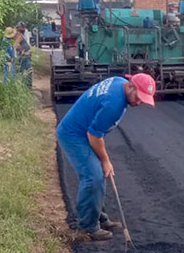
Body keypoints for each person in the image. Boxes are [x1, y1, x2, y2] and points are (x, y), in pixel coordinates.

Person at [56, 74, 156, 241]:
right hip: (73, 134)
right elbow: (94, 136)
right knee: (93, 176)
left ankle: (99, 218)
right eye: (139, 98)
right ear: (130, 86)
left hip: (84, 131)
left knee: (98, 175)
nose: (139, 103)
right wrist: (105, 160)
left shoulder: (120, 82)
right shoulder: (114, 105)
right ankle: (86, 228)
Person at [15, 21, 32, 87]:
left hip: (26, 55)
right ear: (18, 28)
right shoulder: (19, 35)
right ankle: (26, 85)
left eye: (24, 27)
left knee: (28, 70)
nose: (23, 29)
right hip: (24, 56)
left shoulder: (22, 34)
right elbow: (17, 45)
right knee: (26, 70)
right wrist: (23, 51)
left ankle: (27, 85)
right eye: (22, 27)